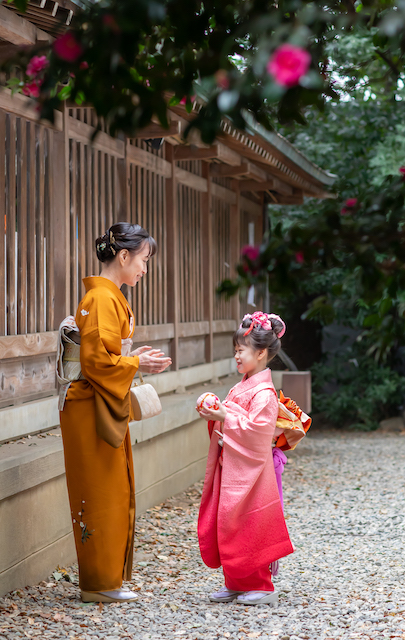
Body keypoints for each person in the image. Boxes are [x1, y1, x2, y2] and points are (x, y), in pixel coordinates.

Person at [59, 222, 171, 604]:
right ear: (123, 256)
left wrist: (133, 361)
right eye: (142, 260)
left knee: (114, 486)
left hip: (99, 401)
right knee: (101, 489)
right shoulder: (101, 300)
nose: (144, 269)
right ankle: (98, 583)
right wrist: (134, 364)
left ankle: (106, 579)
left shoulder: (108, 297)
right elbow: (94, 362)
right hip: (89, 405)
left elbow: (106, 358)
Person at [197, 311, 294, 606]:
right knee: (229, 522)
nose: (237, 356)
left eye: (242, 351)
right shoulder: (241, 386)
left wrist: (226, 415)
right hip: (234, 466)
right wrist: (216, 417)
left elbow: (258, 435)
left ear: (261, 353)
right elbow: (236, 420)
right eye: (236, 351)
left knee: (249, 524)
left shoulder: (264, 393)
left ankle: (261, 585)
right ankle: (235, 581)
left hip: (252, 471)